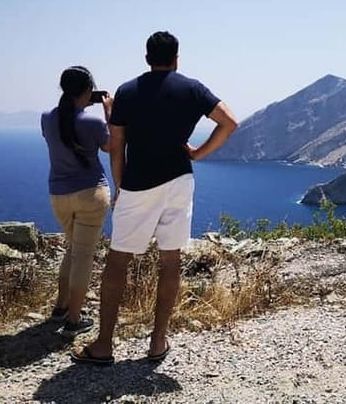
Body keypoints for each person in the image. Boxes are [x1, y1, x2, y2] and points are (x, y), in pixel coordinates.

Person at [72, 31, 238, 364]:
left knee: (118, 261)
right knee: (170, 259)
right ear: (177, 58)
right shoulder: (192, 89)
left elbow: (117, 145)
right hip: (180, 180)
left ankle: (104, 345)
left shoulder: (127, 91)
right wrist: (198, 153)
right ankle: (158, 342)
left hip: (139, 182)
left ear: (147, 58)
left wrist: (120, 184)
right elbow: (229, 122)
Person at [41, 66, 113, 338]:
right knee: (82, 254)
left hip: (59, 195)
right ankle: (73, 320)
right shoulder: (93, 123)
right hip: (91, 194)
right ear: (88, 90)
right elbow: (111, 146)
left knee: (73, 249)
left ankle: (60, 308)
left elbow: (62, 132)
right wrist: (109, 113)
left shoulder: (47, 118)